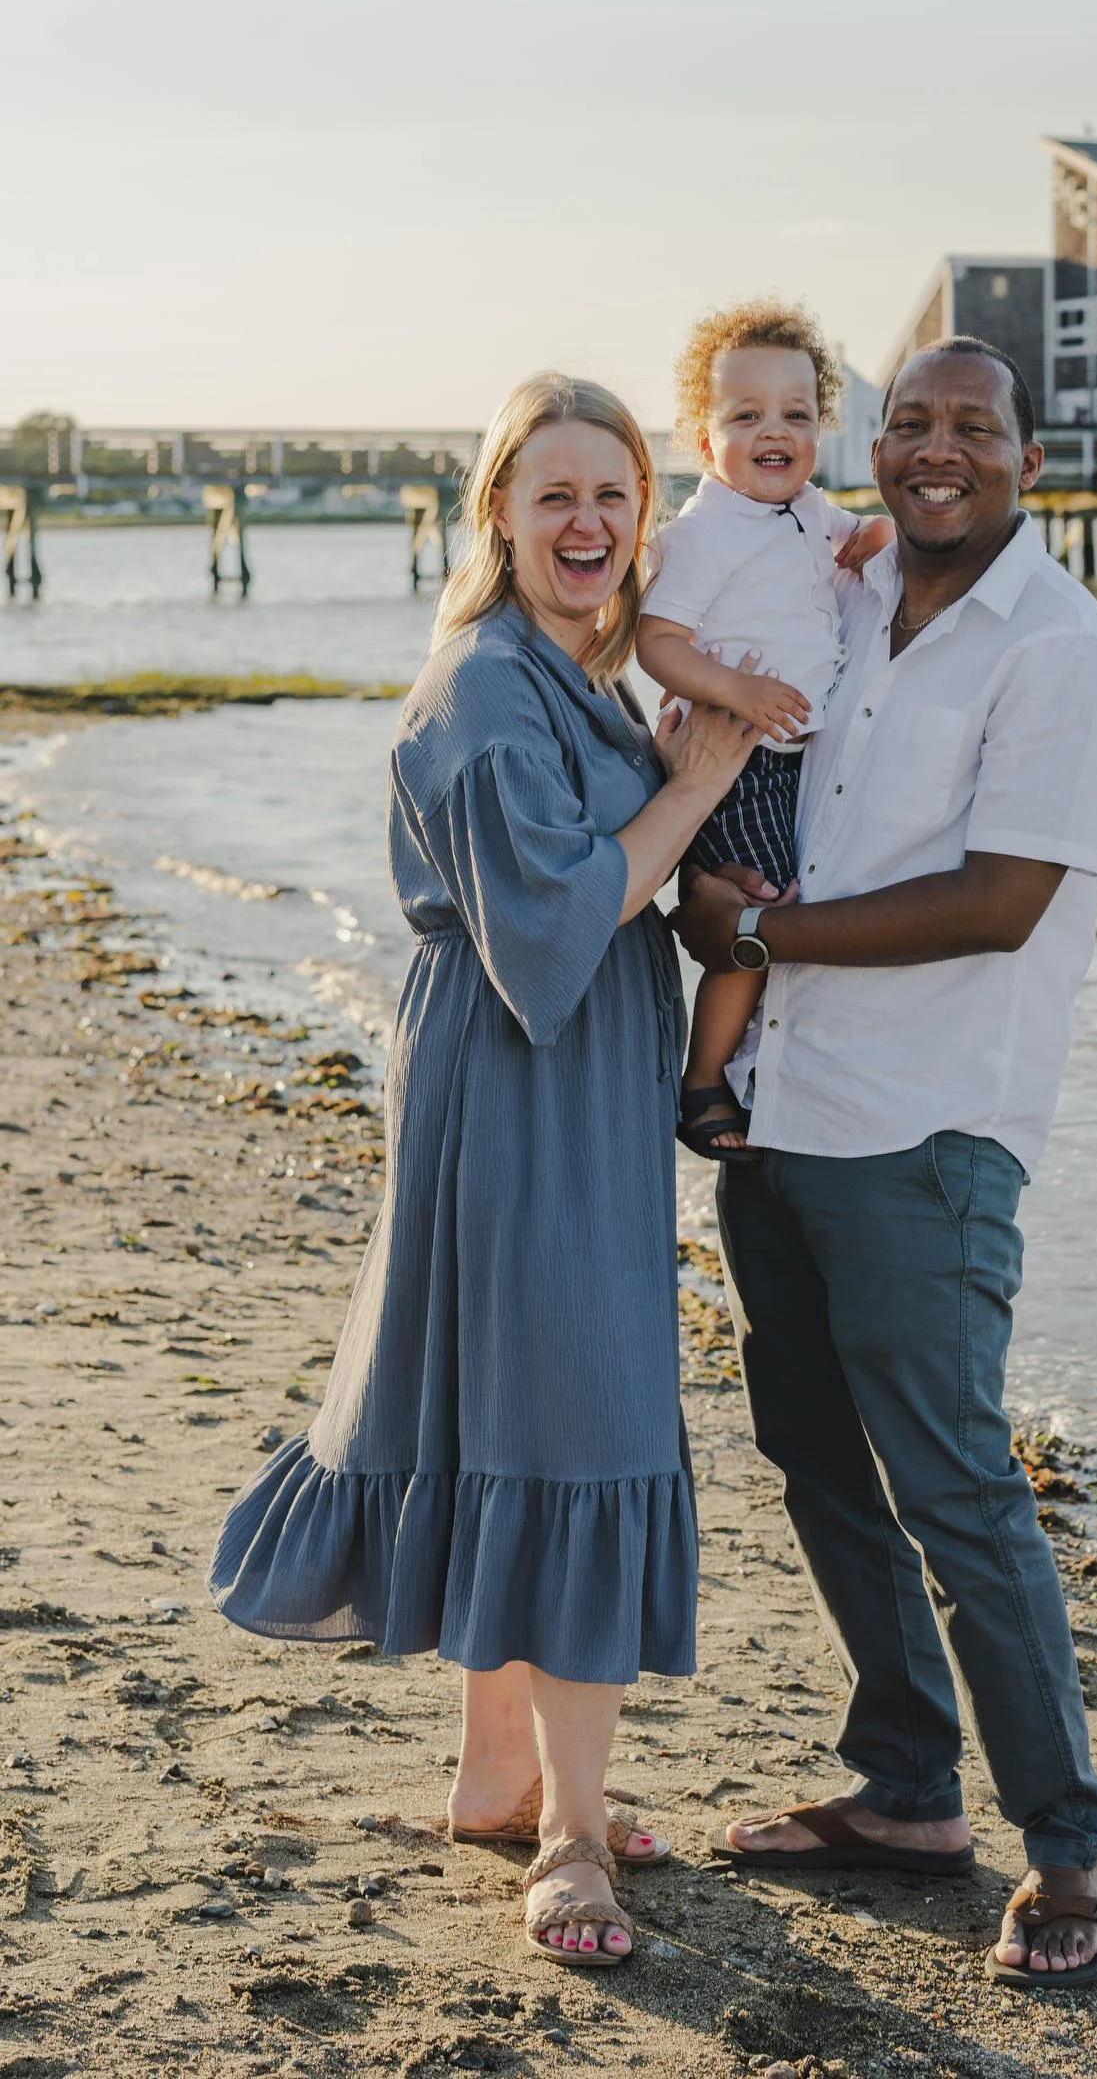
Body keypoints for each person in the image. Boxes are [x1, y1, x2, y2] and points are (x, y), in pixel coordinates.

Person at [211, 373, 758, 1968]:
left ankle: (499, 1773)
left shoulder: (560, 675)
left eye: (614, 498)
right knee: (576, 1411)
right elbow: (551, 920)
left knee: (525, 1400)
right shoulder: (481, 683)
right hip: (522, 1073)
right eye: (556, 498)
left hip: (555, 1072)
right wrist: (695, 787)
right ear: (498, 518)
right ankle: (574, 1841)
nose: (588, 525)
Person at [675, 337, 1097, 1989]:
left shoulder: (1061, 651)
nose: (938, 451)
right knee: (814, 1454)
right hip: (785, 1108)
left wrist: (769, 931)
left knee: (952, 1483)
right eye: (914, 424)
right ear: (878, 446)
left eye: (975, 426)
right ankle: (906, 1791)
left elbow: (1001, 899)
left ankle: (1067, 1850)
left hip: (928, 1133)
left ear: (1028, 449)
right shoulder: (855, 599)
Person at [636, 300, 891, 1159]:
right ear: (706, 445)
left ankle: (753, 1072)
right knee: (759, 922)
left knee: (775, 918)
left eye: (795, 414)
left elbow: (863, 539)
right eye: (745, 417)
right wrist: (736, 690)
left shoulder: (812, 510)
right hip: (739, 760)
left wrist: (884, 532)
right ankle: (705, 1081)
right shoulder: (706, 534)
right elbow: (657, 640)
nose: (773, 431)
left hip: (788, 761)